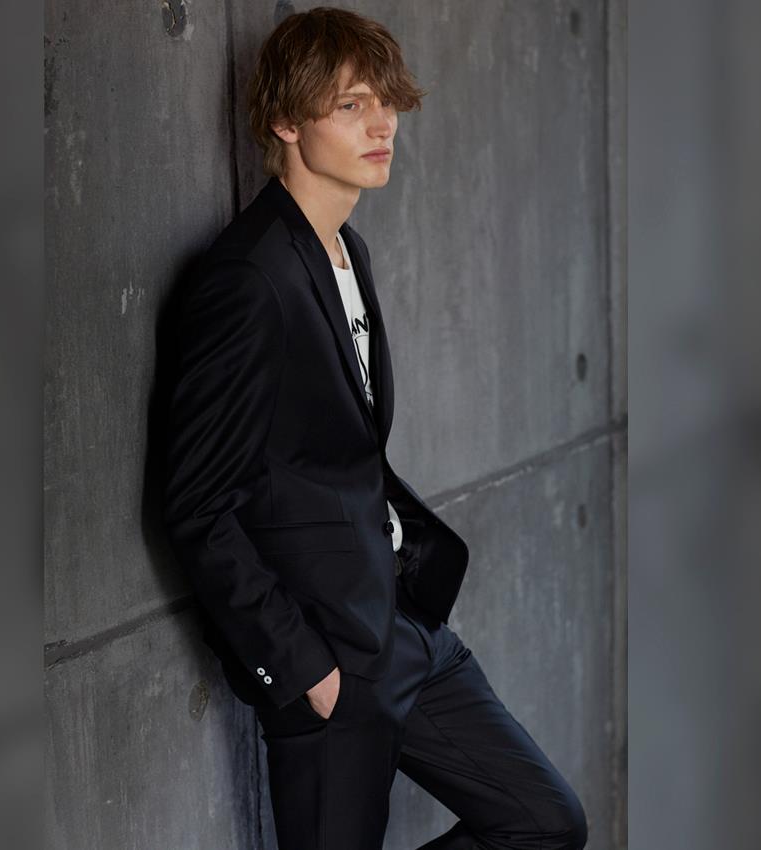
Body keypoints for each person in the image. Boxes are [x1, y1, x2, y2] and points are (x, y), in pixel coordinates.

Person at [163, 7, 588, 849]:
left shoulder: (346, 251)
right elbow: (196, 505)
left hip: (400, 628)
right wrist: (303, 669)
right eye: (351, 105)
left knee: (544, 823)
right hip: (329, 659)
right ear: (286, 122)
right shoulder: (248, 279)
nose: (382, 124)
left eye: (386, 102)